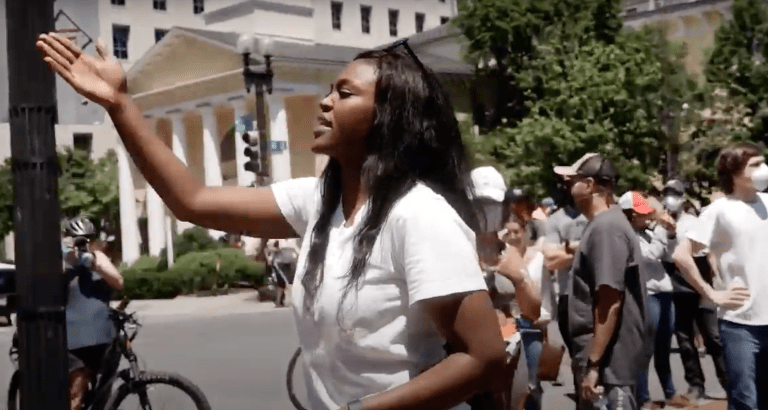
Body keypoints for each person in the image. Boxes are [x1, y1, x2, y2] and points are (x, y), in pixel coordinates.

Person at [37, 33, 509, 410]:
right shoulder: (317, 204)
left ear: (388, 119)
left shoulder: (418, 215)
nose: (325, 103)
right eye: (328, 91)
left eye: (345, 94)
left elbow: (483, 357)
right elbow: (193, 200)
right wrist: (119, 105)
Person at [673, 142, 768, 410]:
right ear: (734, 172)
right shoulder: (719, 210)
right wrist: (712, 293)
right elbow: (682, 255)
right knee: (744, 400)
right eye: (756, 164)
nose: (764, 169)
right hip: (740, 324)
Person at [553, 153, 648, 410]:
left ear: (591, 185)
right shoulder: (604, 224)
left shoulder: (607, 228)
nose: (569, 187)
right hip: (606, 360)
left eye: (573, 180)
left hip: (608, 365)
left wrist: (594, 364)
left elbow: (609, 301)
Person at [661, 180, 728, 403]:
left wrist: (707, 288)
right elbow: (662, 255)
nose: (670, 198)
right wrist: (668, 232)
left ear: (683, 197)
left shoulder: (693, 222)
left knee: (713, 338)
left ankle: (729, 381)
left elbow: (704, 257)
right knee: (684, 338)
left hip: (698, 282)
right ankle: (695, 384)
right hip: (675, 285)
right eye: (667, 193)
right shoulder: (659, 225)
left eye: (675, 193)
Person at [619, 192, 686, 409]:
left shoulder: (650, 232)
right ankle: (643, 397)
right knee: (646, 348)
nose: (647, 217)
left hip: (664, 292)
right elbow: (650, 256)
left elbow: (671, 256)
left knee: (664, 346)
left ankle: (669, 391)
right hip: (647, 294)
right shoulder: (627, 235)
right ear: (630, 214)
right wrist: (660, 229)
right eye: (641, 214)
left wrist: (671, 233)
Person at [62, 216, 124, 410]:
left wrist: (95, 264)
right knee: (77, 394)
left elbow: (118, 282)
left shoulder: (97, 257)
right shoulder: (62, 258)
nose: (83, 243)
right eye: (77, 238)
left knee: (103, 391)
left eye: (88, 238)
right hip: (73, 338)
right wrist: (69, 261)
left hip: (100, 334)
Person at [499, 205, 550, 410]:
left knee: (533, 385)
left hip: (533, 326)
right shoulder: (499, 260)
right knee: (508, 385)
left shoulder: (539, 258)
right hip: (508, 325)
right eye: (508, 232)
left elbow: (547, 294)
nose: (512, 236)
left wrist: (545, 320)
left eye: (516, 232)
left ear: (525, 232)